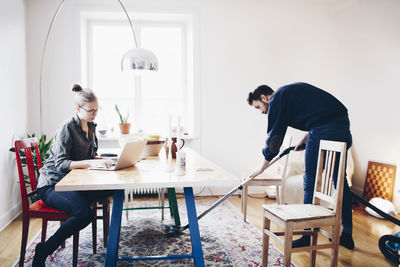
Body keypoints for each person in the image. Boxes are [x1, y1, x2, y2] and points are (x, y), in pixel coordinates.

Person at [247, 82, 354, 250]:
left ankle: (307, 235)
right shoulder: (287, 93)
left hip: (324, 127)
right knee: (339, 180)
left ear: (264, 98)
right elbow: (318, 112)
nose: (261, 111)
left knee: (309, 179)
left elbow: (275, 137)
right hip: (341, 123)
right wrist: (307, 137)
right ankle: (347, 234)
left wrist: (263, 166)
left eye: (258, 107)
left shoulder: (276, 99)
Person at [33, 84, 113, 266]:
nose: (95, 113)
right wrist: (93, 162)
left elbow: (89, 156)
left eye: (97, 109)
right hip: (52, 184)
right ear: (78, 108)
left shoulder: (90, 128)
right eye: (91, 110)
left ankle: (113, 242)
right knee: (84, 214)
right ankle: (43, 250)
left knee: (112, 189)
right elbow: (61, 164)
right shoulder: (66, 128)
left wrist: (104, 160)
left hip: (73, 182)